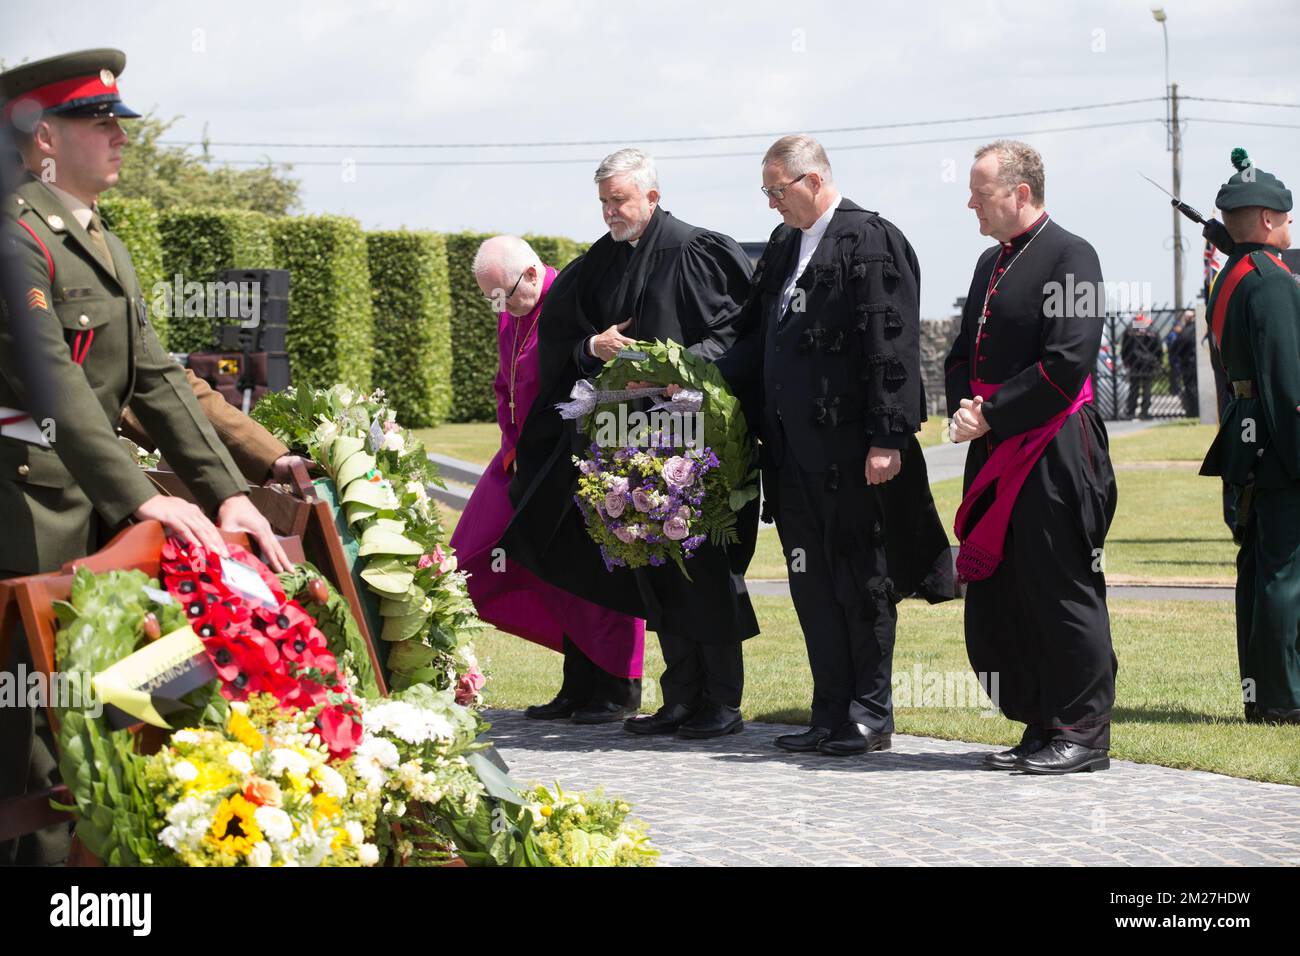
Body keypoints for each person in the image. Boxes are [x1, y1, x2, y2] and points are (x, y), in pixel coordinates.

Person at [0, 49, 287, 865]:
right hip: (27, 510)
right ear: (45, 136)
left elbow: (156, 378)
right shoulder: (17, 238)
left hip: (94, 510)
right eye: (101, 124)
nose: (122, 138)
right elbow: (52, 385)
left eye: (121, 122)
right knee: (33, 737)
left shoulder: (102, 242)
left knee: (122, 708)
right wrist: (144, 497)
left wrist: (228, 492)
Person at [501, 148, 759, 740]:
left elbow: (736, 334)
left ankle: (722, 700)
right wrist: (593, 348)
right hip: (629, 439)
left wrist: (676, 369)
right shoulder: (600, 261)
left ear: (652, 196)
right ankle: (680, 697)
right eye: (603, 203)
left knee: (703, 563)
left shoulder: (697, 250)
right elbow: (563, 335)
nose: (610, 212)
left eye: (619, 200)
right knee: (657, 560)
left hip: (696, 433)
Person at [714, 135, 952, 757]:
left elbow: (890, 347)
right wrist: (688, 376)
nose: (770, 205)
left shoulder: (871, 239)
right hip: (792, 455)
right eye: (764, 192)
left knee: (862, 580)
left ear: (813, 181)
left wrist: (887, 437)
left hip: (854, 454)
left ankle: (870, 713)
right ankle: (828, 711)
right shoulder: (785, 247)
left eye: (776, 191)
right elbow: (751, 338)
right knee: (811, 582)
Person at [945, 140, 1118, 774]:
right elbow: (964, 353)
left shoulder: (1073, 256)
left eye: (980, 192)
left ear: (1021, 192)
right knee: (1010, 592)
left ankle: (1083, 732)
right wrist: (966, 405)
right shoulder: (990, 262)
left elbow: (1067, 363)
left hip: (1054, 449)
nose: (970, 203)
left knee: (1061, 587)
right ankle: (1042, 722)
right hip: (994, 443)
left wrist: (991, 412)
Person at [450, 235, 645, 724]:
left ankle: (618, 686)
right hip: (522, 459)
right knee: (476, 557)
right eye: (492, 298)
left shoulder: (575, 297)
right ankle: (578, 681)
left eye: (506, 294)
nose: (502, 307)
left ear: (533, 273)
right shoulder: (512, 310)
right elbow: (504, 386)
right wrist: (512, 446)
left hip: (579, 459)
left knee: (592, 572)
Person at [1198, 148, 1300, 725]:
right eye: (1286, 218)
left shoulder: (1232, 277)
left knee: (1258, 569)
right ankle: (1285, 698)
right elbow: (1287, 381)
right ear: (1266, 220)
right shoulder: (1272, 283)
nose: (1291, 226)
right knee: (1286, 571)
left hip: (1246, 437)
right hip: (1281, 441)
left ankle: (1261, 693)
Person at [1120, 312, 1162, 419]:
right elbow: (1158, 348)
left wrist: (1125, 361)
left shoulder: (1130, 329)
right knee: (1146, 388)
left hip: (1134, 362)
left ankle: (1131, 412)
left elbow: (1124, 347)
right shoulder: (1152, 329)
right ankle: (1145, 412)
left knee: (1133, 388)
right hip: (1149, 363)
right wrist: (1157, 361)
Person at [1167, 309, 1199, 417]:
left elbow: (1177, 347)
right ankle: (1195, 411)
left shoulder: (1186, 331)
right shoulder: (1197, 329)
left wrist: (1174, 358)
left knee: (1191, 388)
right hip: (1195, 364)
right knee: (1193, 388)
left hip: (1188, 364)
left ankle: (1194, 412)